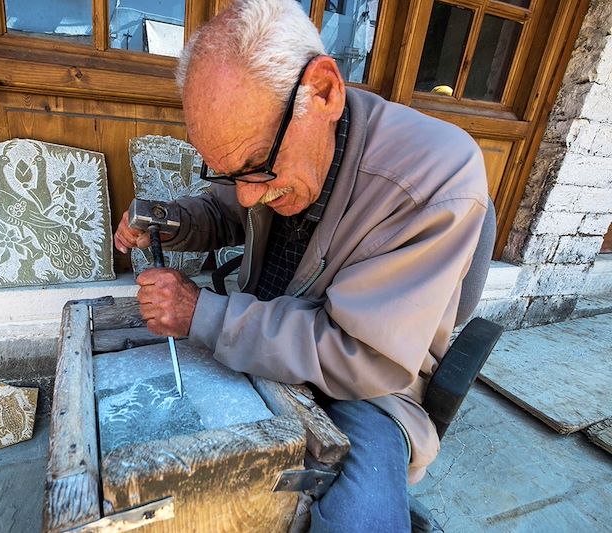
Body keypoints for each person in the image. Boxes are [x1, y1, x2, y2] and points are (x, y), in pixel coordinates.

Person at [114, 0, 488, 530]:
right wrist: (169, 221)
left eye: (257, 168)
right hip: (258, 338)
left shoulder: (437, 176)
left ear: (325, 92)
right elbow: (229, 209)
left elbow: (360, 354)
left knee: (360, 522)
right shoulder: (271, 142)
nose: (247, 197)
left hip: (365, 389)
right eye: (229, 172)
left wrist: (203, 314)